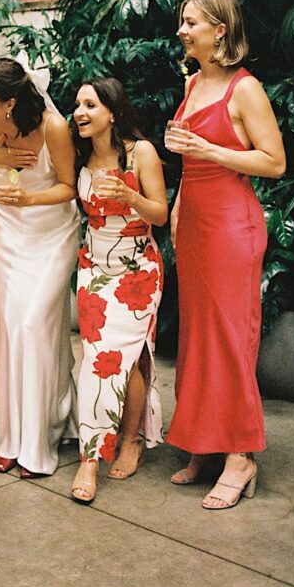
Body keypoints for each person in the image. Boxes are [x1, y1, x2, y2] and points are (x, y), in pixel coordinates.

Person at [166, 0, 285, 510]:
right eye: (182, 22)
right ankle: (206, 443)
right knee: (198, 335)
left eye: (191, 22)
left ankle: (240, 456)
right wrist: (174, 208)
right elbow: (188, 160)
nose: (182, 30)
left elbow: (275, 162)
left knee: (232, 338)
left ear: (220, 30)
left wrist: (213, 149)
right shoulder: (192, 83)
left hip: (232, 226)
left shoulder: (245, 89)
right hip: (193, 220)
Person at [0, 56, 79, 478]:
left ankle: (40, 441)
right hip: (10, 233)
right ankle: (12, 438)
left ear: (9, 103)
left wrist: (30, 198)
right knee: (12, 328)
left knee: (36, 325)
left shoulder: (53, 127)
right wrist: (1, 161)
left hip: (52, 233)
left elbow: (69, 188)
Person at [69, 78, 167, 504]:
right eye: (77, 105)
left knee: (127, 360)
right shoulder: (78, 156)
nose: (80, 112)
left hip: (137, 271)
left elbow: (160, 214)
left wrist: (129, 194)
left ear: (113, 111)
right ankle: (94, 453)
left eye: (90, 104)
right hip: (93, 268)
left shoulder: (140, 152)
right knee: (98, 360)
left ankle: (124, 443)